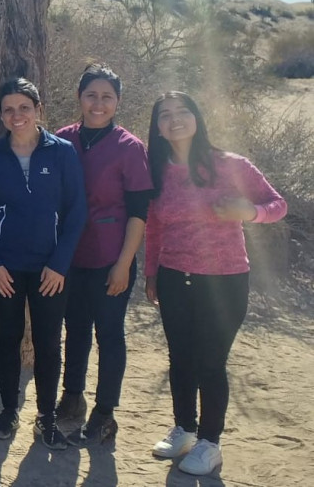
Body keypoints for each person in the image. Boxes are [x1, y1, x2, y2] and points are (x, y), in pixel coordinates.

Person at [144, 92, 286, 476]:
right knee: (180, 358)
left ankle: (210, 443)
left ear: (197, 116)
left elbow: (277, 204)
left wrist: (249, 212)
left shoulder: (230, 164)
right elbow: (154, 226)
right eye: (165, 115)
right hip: (174, 277)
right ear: (156, 127)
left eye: (182, 111)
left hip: (224, 281)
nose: (174, 120)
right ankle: (185, 430)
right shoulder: (157, 170)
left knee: (210, 362)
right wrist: (152, 273)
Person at [0, 78, 87, 449]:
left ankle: (46, 417)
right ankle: (8, 411)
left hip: (49, 271)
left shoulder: (63, 152)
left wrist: (59, 264)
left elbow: (76, 213)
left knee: (48, 342)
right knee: (7, 338)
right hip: (5, 269)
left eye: (24, 107)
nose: (16, 115)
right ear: (1, 116)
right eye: (8, 109)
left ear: (38, 110)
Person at [54, 64, 152, 444]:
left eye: (107, 97)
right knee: (74, 330)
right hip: (69, 256)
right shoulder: (62, 140)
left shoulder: (130, 148)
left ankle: (105, 413)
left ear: (118, 102)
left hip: (112, 257)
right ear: (79, 98)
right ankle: (72, 398)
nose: (98, 104)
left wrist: (124, 264)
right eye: (91, 95)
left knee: (109, 335)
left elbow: (139, 212)